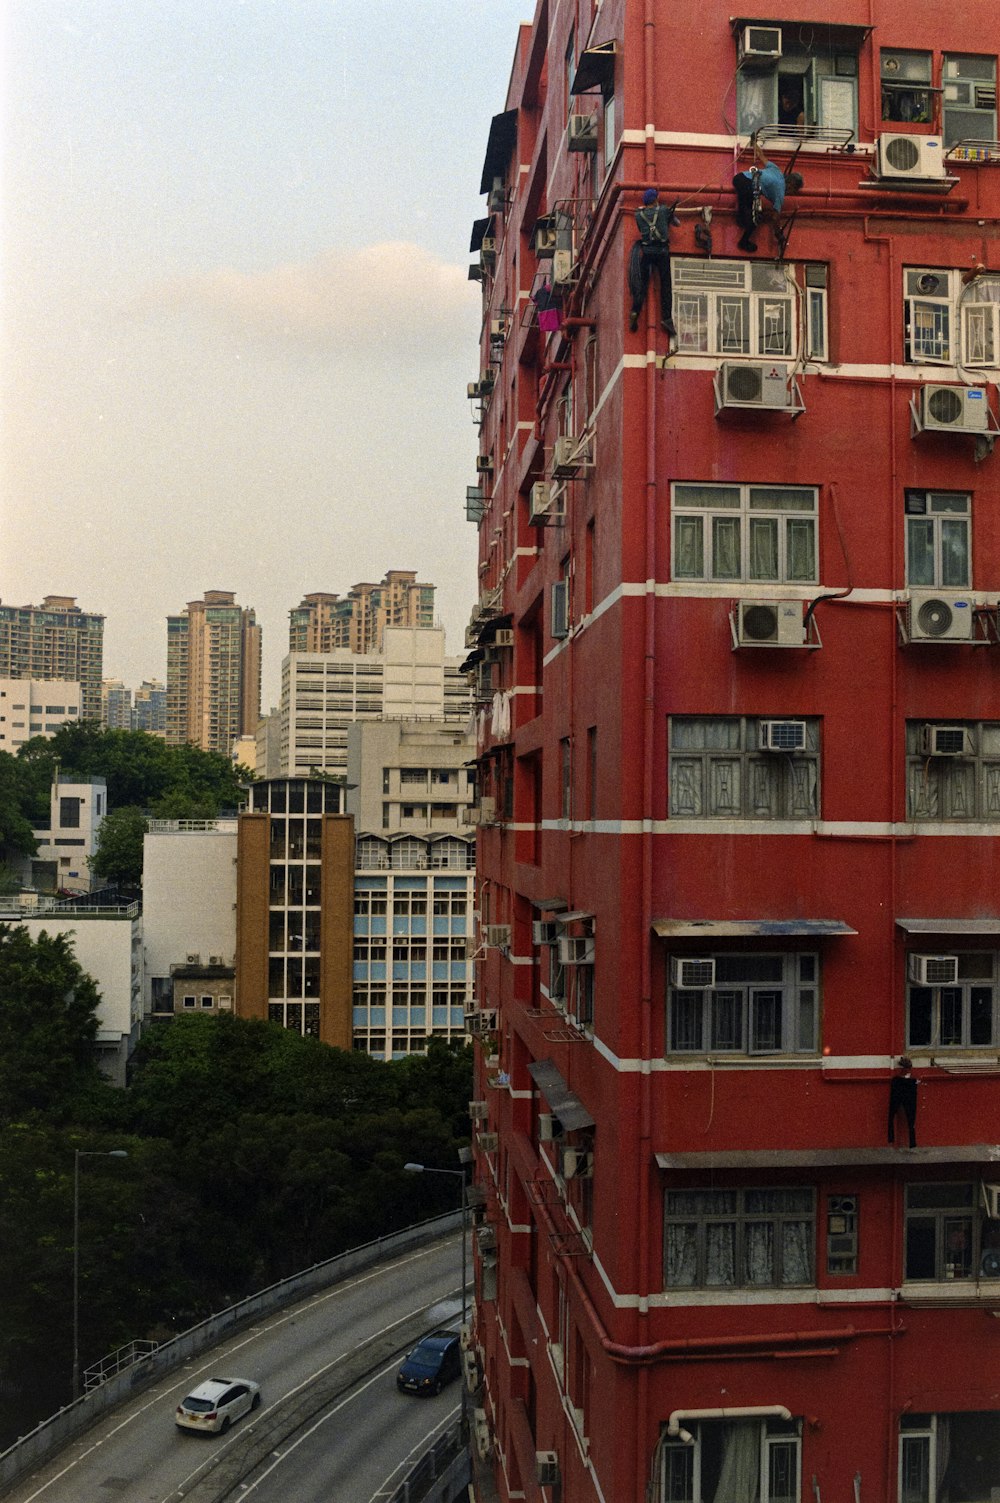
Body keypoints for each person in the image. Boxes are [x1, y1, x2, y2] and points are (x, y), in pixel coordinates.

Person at [732, 136, 803, 254]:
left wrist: (754, 143)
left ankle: (741, 218)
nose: (790, 194)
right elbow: (775, 217)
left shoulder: (776, 170)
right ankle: (743, 241)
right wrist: (778, 234)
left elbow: (761, 155)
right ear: (791, 185)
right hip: (749, 186)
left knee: (748, 204)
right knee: (755, 218)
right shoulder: (780, 192)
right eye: (793, 191)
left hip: (740, 178)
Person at [628, 188, 680, 334]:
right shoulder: (663, 211)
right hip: (662, 252)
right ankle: (666, 318)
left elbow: (640, 228)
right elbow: (677, 223)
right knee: (665, 286)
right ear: (656, 199)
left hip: (647, 252)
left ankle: (635, 311)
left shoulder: (638, 215)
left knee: (642, 285)